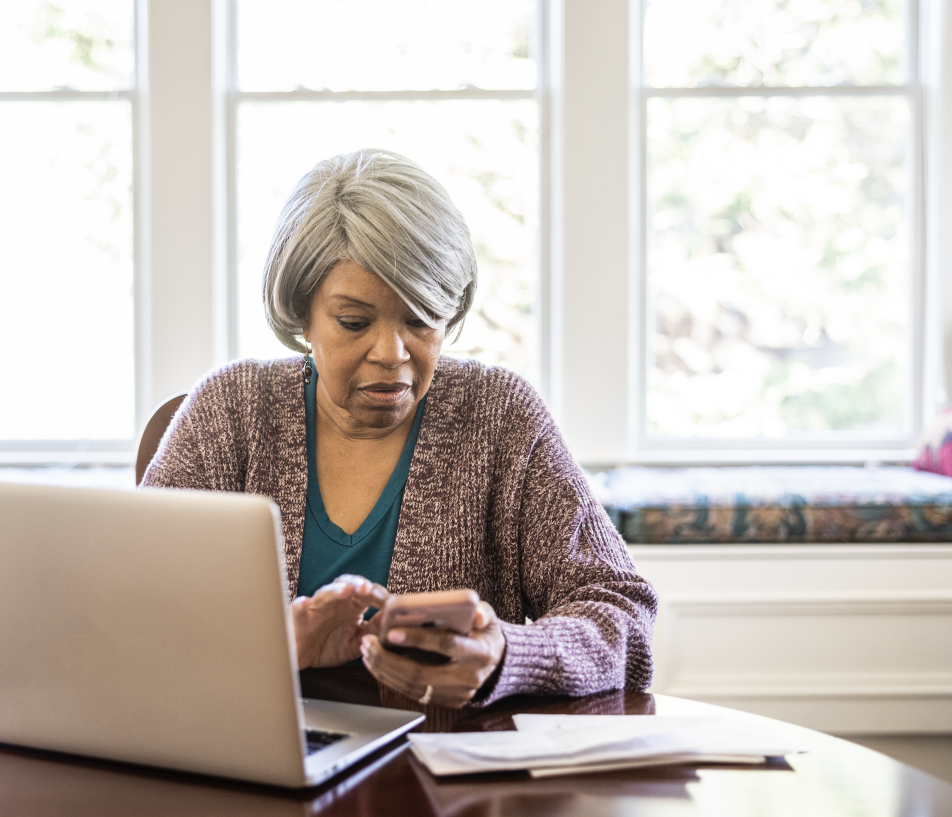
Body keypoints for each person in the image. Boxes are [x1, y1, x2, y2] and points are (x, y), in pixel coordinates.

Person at [142, 149, 656, 708]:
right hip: (249, 767)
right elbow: (133, 610)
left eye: (420, 319)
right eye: (354, 322)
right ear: (302, 313)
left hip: (447, 775)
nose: (391, 354)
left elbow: (622, 614)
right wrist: (266, 649)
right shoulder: (230, 411)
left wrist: (507, 655)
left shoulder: (500, 416)